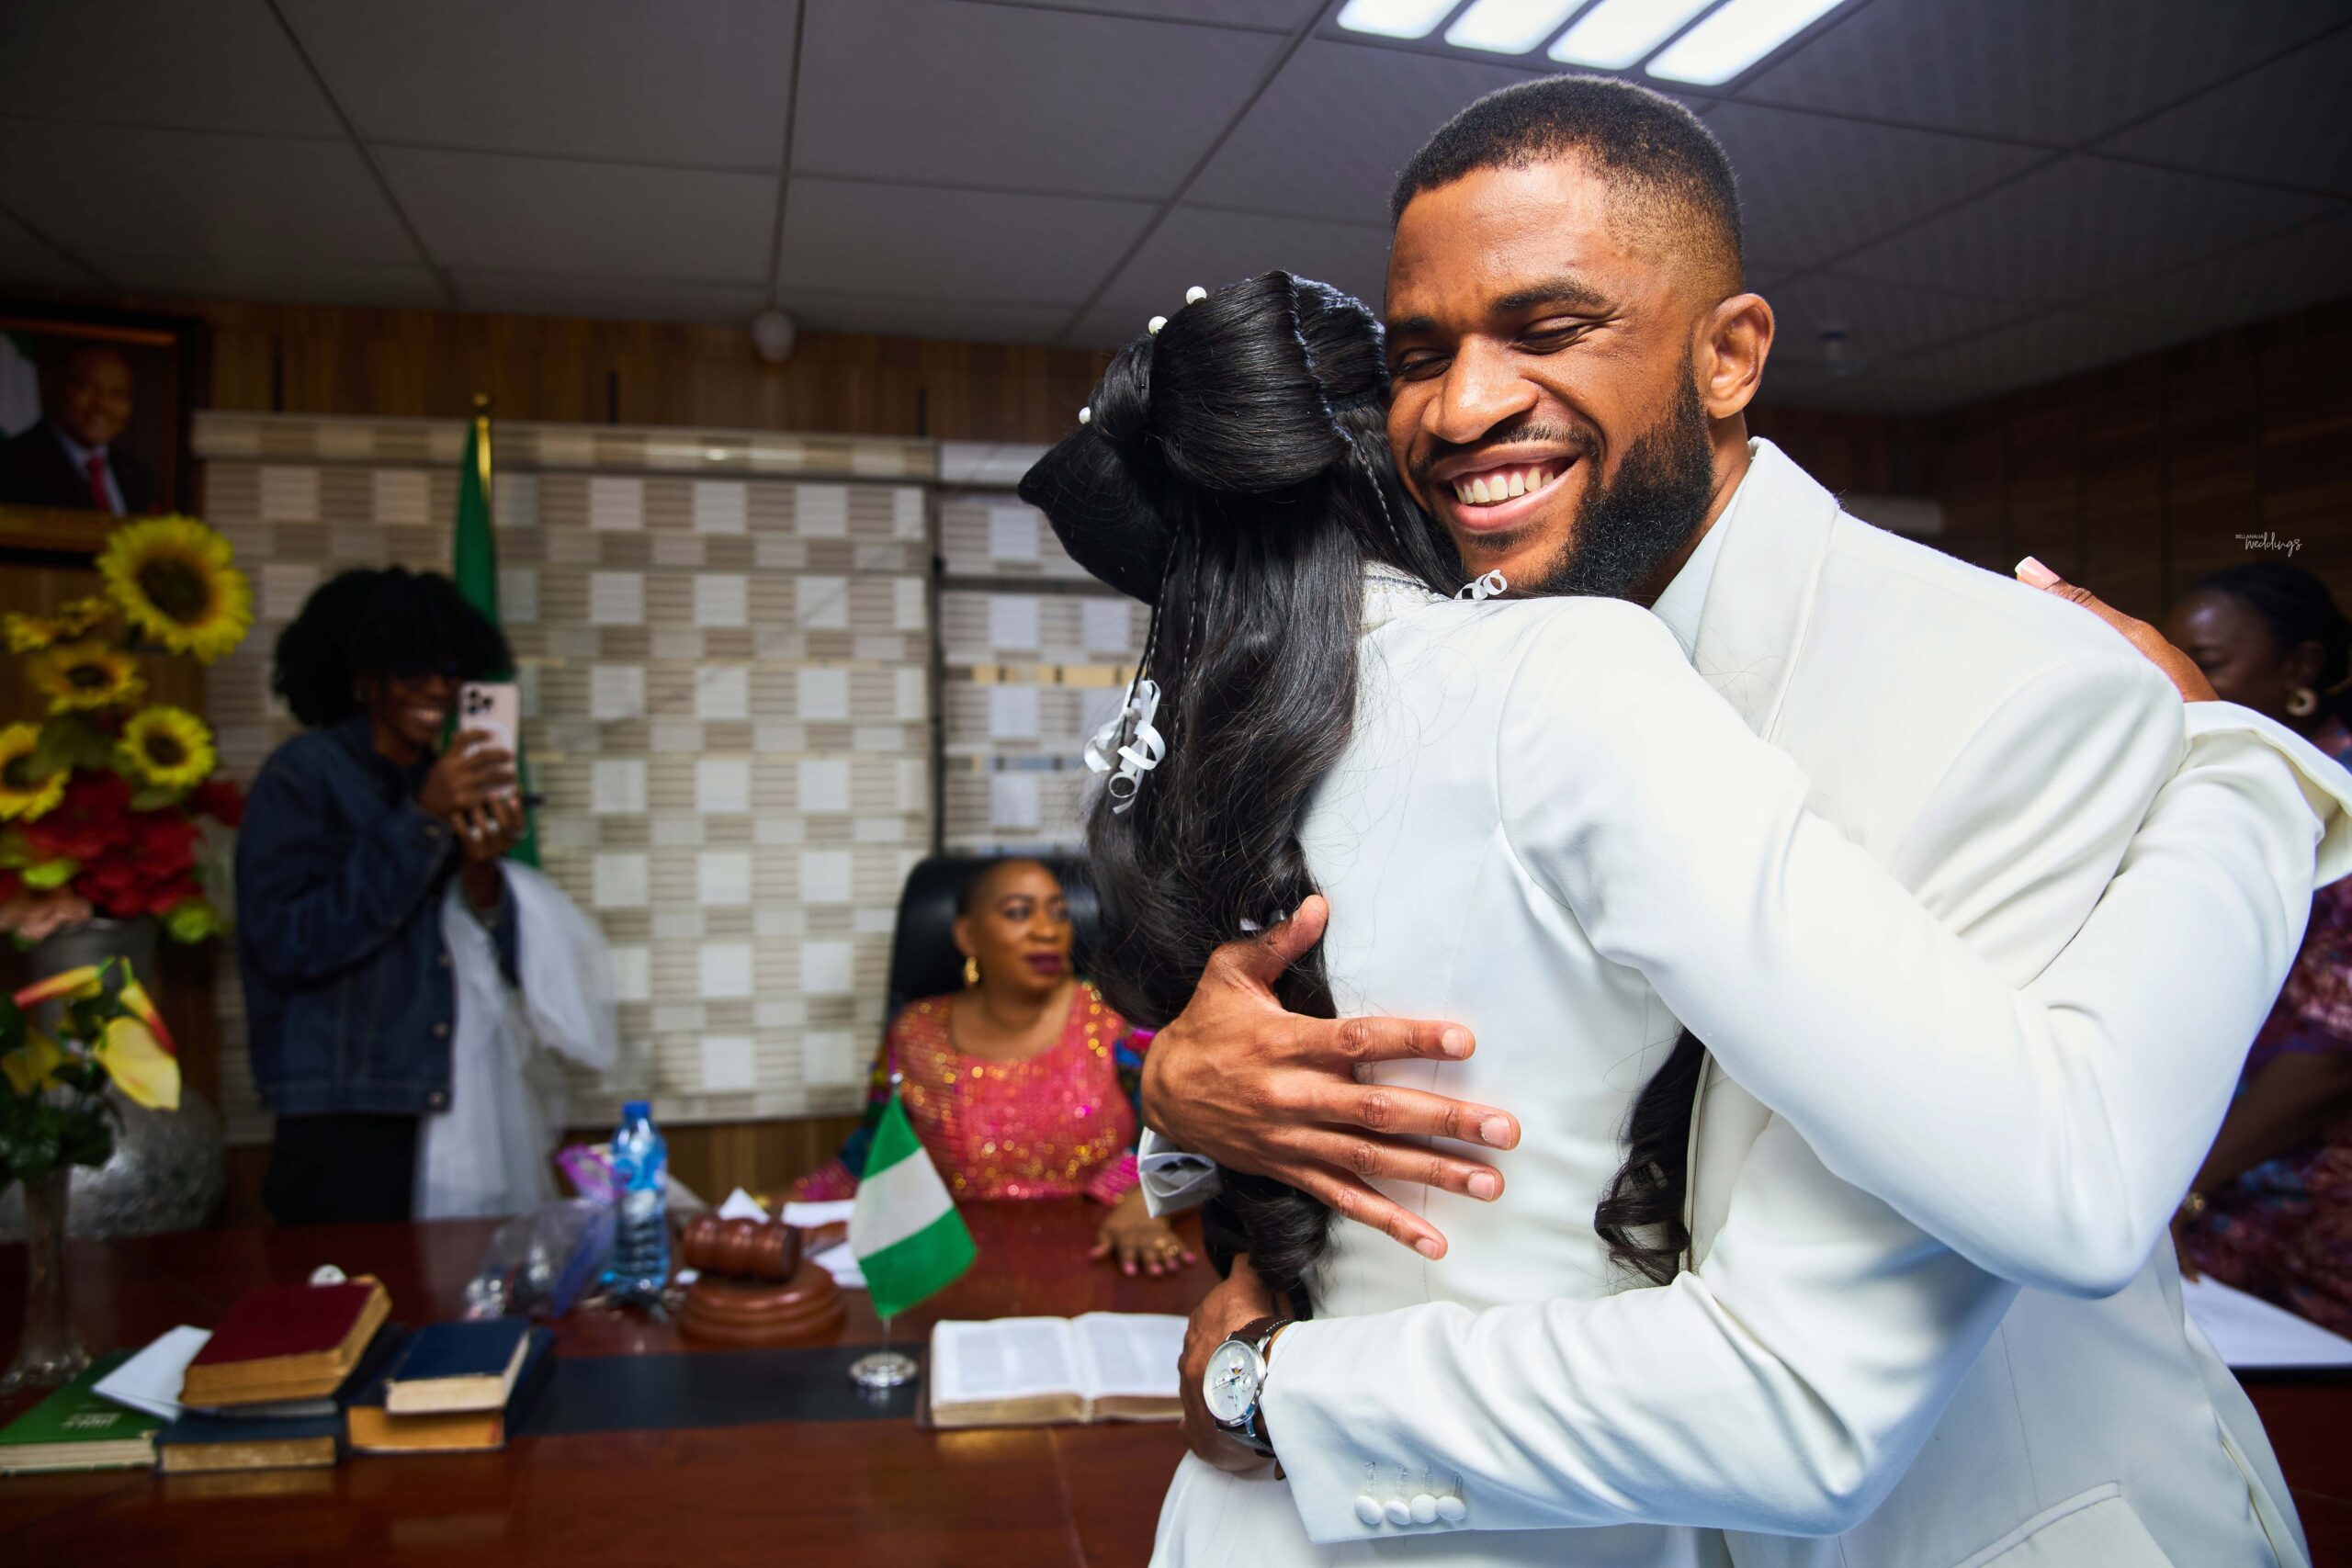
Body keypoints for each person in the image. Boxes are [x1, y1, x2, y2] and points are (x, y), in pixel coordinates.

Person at [1026, 80, 2350, 1568]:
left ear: (1728, 355)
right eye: (1418, 356)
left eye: (1549, 327)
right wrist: (1187, 1096)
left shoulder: (2004, 679)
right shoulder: (1444, 679)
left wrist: (2248, 765)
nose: (1459, 409)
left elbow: (2019, 1211)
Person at [235, 568, 523, 1225]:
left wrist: (482, 868)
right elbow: (288, 940)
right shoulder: (304, 774)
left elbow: (490, 955)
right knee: (344, 1282)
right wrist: (422, 820)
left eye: (452, 671)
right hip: (342, 1103)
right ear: (363, 677)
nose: (438, 688)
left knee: (451, 1280)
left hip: (446, 1090)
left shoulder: (442, 778)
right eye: (413, 669)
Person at [789, 858, 1195, 1276]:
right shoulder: (916, 1033)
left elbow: (1182, 1138)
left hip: (1106, 1254)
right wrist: (779, 1210)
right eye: (1019, 912)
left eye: (1059, 913)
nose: (1047, 931)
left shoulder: (1116, 1021)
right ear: (968, 935)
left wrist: (1147, 1202)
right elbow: (871, 1153)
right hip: (956, 1265)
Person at [2168, 563, 2352, 1331]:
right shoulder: (2239, 787)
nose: (2178, 683)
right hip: (2220, 1178)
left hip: (2303, 1214)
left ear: (2300, 667)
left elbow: (2332, 1052)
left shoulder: (2337, 795)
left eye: (2208, 663)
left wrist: (2179, 1188)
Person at [0, 345, 156, 513]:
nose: (102, 404)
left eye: (116, 394)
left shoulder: (138, 477)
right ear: (55, 387)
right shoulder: (10, 465)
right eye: (86, 387)